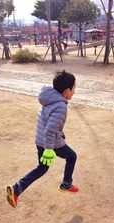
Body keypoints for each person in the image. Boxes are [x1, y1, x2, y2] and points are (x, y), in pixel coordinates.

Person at [7, 70, 79, 208]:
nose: (74, 91)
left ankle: (16, 189)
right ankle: (66, 185)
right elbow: (50, 130)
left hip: (40, 140)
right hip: (51, 143)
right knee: (72, 156)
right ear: (66, 91)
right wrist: (48, 149)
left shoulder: (49, 98)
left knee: (42, 168)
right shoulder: (60, 106)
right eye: (74, 88)